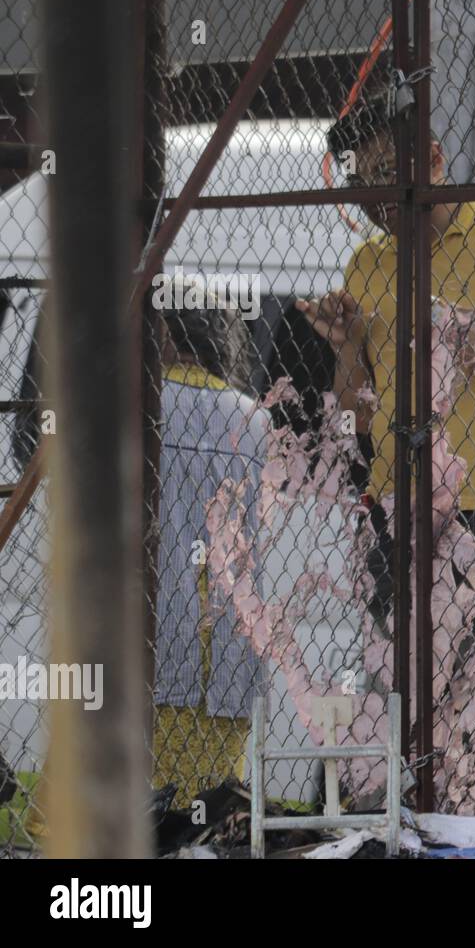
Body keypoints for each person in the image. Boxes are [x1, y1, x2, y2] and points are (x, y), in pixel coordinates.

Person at [299, 86, 475, 587]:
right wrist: (347, 345)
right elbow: (358, 418)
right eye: (360, 183)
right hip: (395, 508)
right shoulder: (367, 265)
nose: (376, 197)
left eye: (387, 174)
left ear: (433, 160)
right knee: (398, 662)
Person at [152, 291, 269, 804]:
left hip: (152, 622)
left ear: (165, 334)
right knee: (212, 803)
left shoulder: (143, 403)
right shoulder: (255, 420)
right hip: (228, 635)